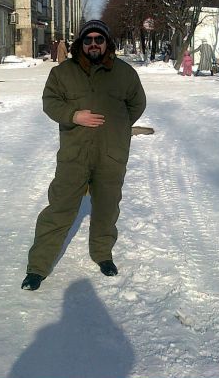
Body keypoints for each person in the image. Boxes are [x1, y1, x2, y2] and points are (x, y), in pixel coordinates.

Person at [21, 20, 147, 291]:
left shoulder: (124, 73)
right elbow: (50, 102)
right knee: (59, 207)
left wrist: (118, 127)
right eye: (88, 40)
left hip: (111, 153)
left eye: (99, 39)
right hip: (74, 154)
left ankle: (103, 254)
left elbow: (137, 103)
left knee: (107, 206)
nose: (93, 44)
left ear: (107, 43)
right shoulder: (63, 73)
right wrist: (73, 115)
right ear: (81, 43)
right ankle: (38, 267)